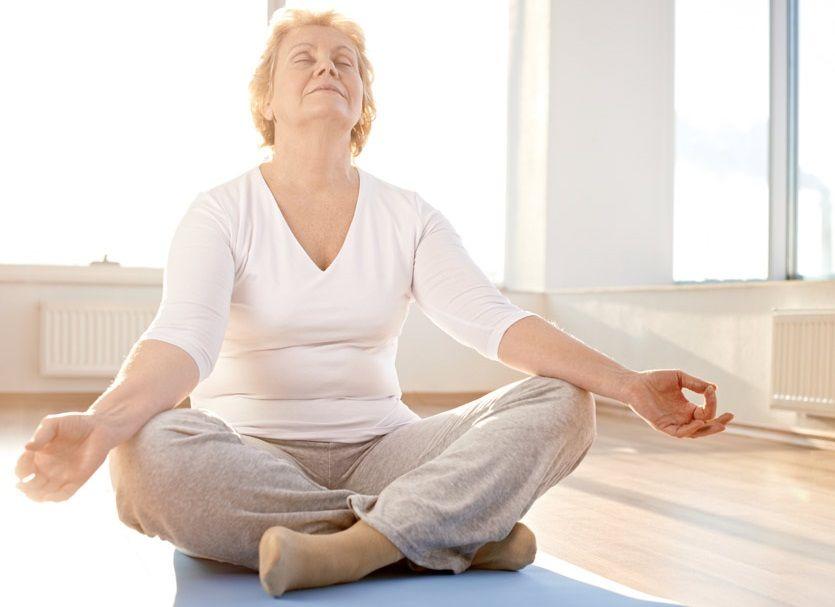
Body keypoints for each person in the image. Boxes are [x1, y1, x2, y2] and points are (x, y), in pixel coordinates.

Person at [14, 7, 734, 599]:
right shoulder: (220, 211)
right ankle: (441, 533)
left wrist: (628, 385)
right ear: (267, 99)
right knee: (145, 456)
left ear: (362, 101)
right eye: (303, 58)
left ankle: (357, 546)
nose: (327, 68)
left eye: (345, 62)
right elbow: (183, 340)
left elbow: (494, 321)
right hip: (252, 456)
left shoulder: (407, 214)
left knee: (565, 403)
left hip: (388, 452)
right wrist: (103, 424)